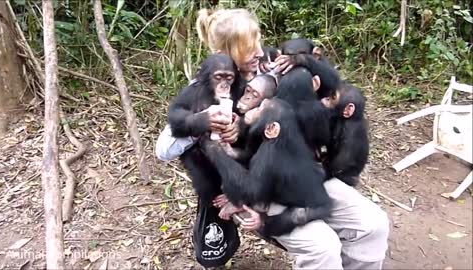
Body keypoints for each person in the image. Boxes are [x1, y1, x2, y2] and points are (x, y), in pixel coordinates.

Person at [155, 8, 390, 270]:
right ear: (224, 54)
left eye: (257, 41)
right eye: (247, 47)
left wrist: (305, 62)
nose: (258, 51)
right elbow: (164, 148)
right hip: (256, 186)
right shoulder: (209, 84)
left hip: (302, 173)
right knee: (324, 248)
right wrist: (204, 122)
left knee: (374, 224)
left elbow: (334, 90)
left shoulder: (270, 65)